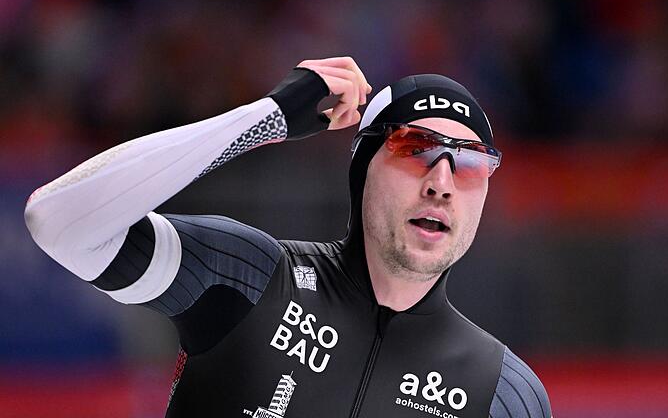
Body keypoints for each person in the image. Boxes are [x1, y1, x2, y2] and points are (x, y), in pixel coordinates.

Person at [25, 56, 551, 418]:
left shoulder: (504, 394)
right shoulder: (250, 282)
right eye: (413, 149)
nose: (440, 182)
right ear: (362, 168)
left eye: (468, 164)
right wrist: (267, 117)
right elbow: (61, 221)